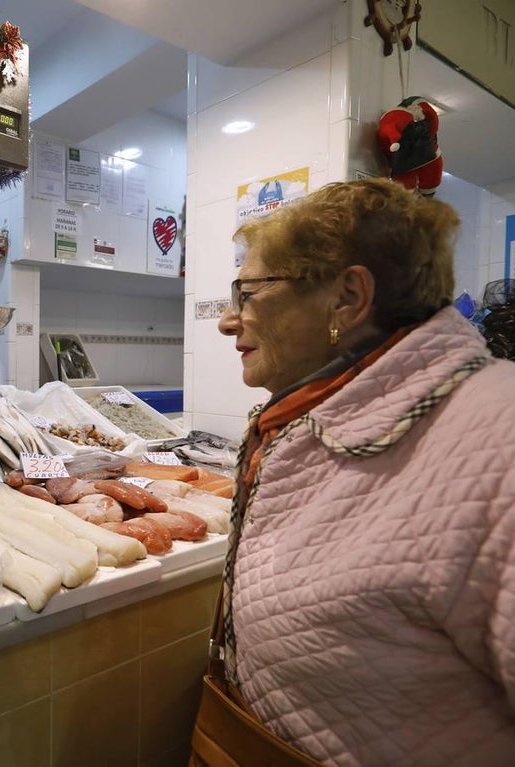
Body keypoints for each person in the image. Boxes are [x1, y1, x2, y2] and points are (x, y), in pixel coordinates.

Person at [207, 178, 515, 766]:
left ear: (347, 298)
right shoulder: (311, 414)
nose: (227, 321)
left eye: (248, 293)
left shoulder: (498, 440)